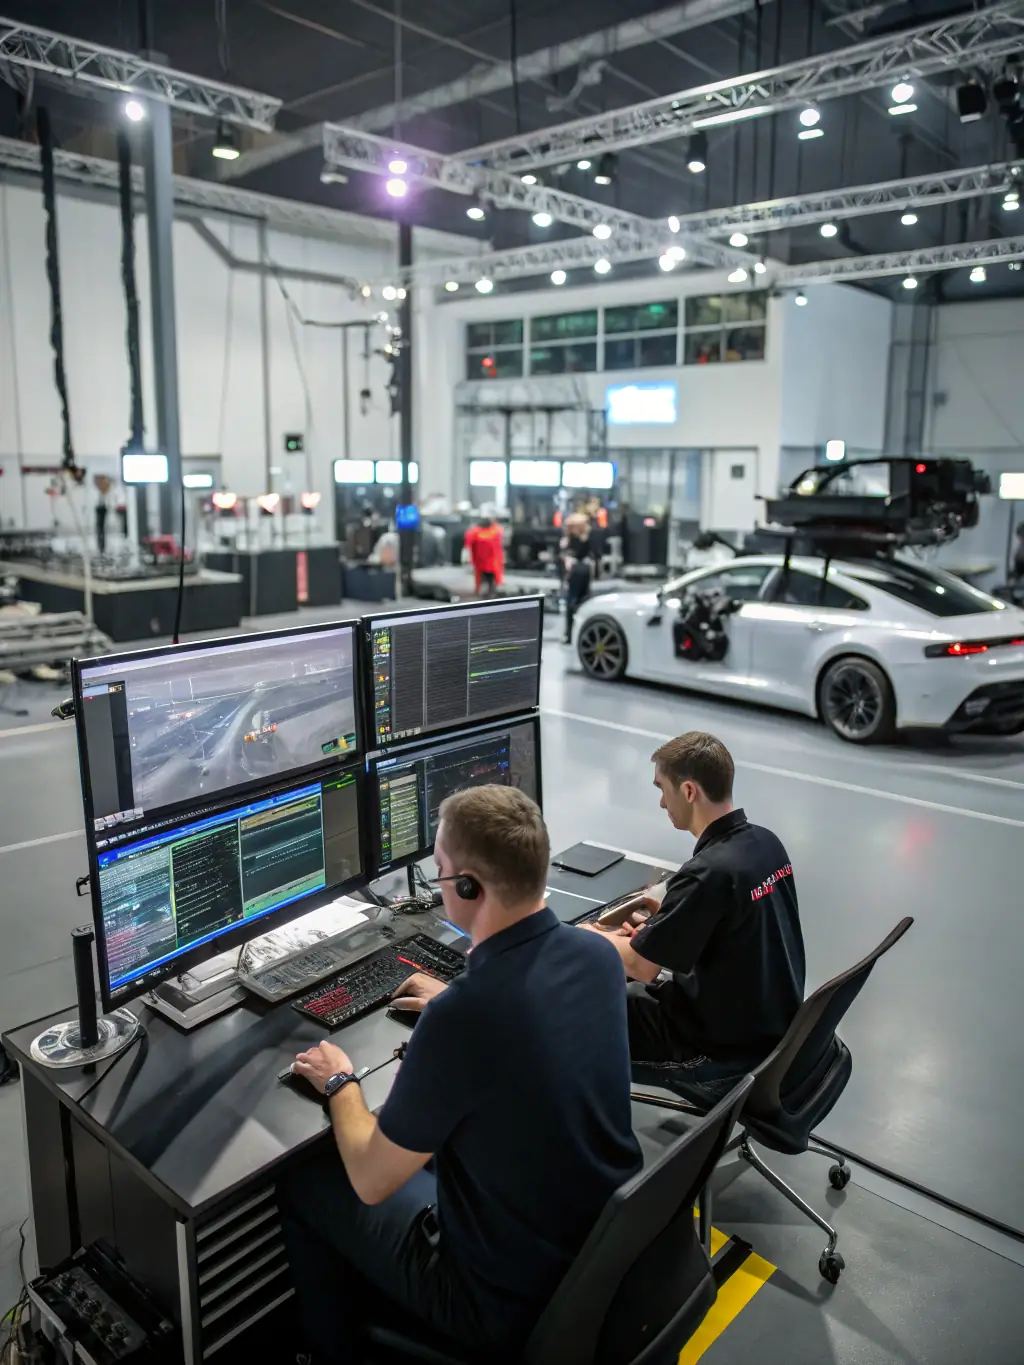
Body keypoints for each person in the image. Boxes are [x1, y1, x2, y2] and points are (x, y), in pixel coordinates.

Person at [278, 786, 641, 1362]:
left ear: (468, 886)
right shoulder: (596, 956)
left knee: (310, 1180)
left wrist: (340, 1082)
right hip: (599, 1253)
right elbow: (527, 1030)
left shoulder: (462, 1018)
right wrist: (457, 1001)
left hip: (497, 1300)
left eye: (441, 873)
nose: (439, 884)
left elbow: (373, 1178)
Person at [583, 731, 805, 1106]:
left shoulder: (708, 873)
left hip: (718, 1046)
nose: (660, 802)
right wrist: (662, 926)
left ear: (688, 791)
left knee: (574, 1006)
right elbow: (732, 927)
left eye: (662, 788)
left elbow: (642, 967)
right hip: (774, 1026)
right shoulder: (766, 843)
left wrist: (591, 934)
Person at [560, 512, 598, 644]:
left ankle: (572, 634)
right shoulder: (576, 540)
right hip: (580, 573)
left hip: (579, 573)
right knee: (578, 602)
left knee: (575, 603)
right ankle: (573, 634)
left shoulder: (579, 540)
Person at [464, 513, 504, 596]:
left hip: (485, 560)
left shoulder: (476, 532)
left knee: (486, 577)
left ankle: (486, 590)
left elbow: (468, 542)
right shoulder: (494, 531)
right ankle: (489, 590)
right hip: (487, 560)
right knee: (488, 578)